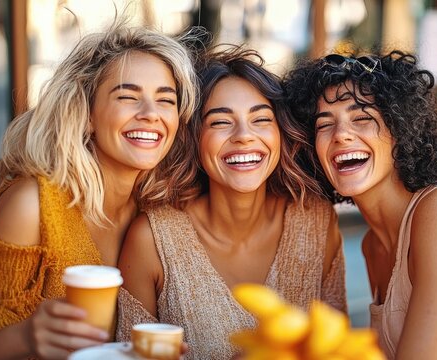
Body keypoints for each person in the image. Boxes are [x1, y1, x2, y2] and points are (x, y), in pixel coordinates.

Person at [0, 22, 197, 359]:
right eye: (128, 96)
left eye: (166, 101)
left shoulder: (161, 212)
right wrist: (26, 337)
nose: (151, 114)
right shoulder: (31, 206)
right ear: (87, 113)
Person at [116, 45, 347, 359]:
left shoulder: (316, 222)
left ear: (281, 133)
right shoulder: (152, 240)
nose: (243, 136)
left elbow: (338, 349)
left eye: (261, 120)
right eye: (220, 122)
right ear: (195, 139)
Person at [283, 50, 437, 359]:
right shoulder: (372, 245)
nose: (341, 135)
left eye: (362, 118)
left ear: (400, 132)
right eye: (324, 125)